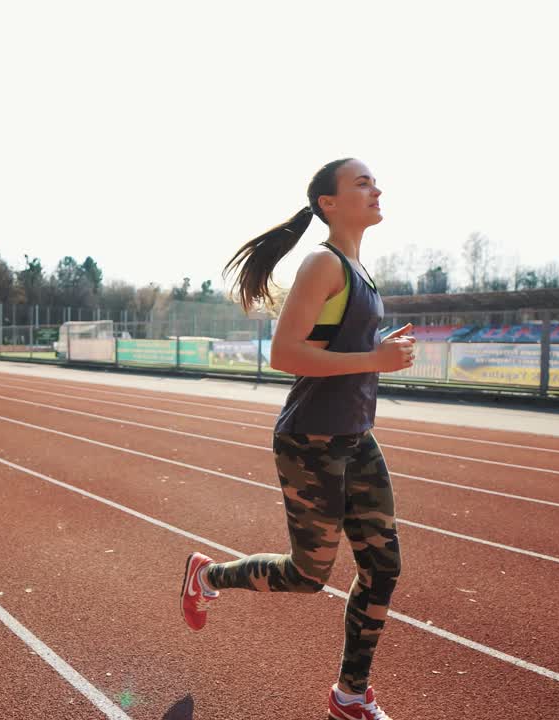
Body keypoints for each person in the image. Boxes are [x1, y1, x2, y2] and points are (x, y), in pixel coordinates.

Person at [179, 158, 415, 720]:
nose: (377, 188)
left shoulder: (358, 270)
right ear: (328, 203)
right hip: (311, 439)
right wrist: (375, 357)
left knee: (382, 568)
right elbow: (285, 353)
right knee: (308, 576)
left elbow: (334, 347)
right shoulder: (323, 263)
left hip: (356, 436)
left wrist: (379, 348)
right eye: (362, 182)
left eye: (374, 181)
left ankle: (350, 696)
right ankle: (206, 575)